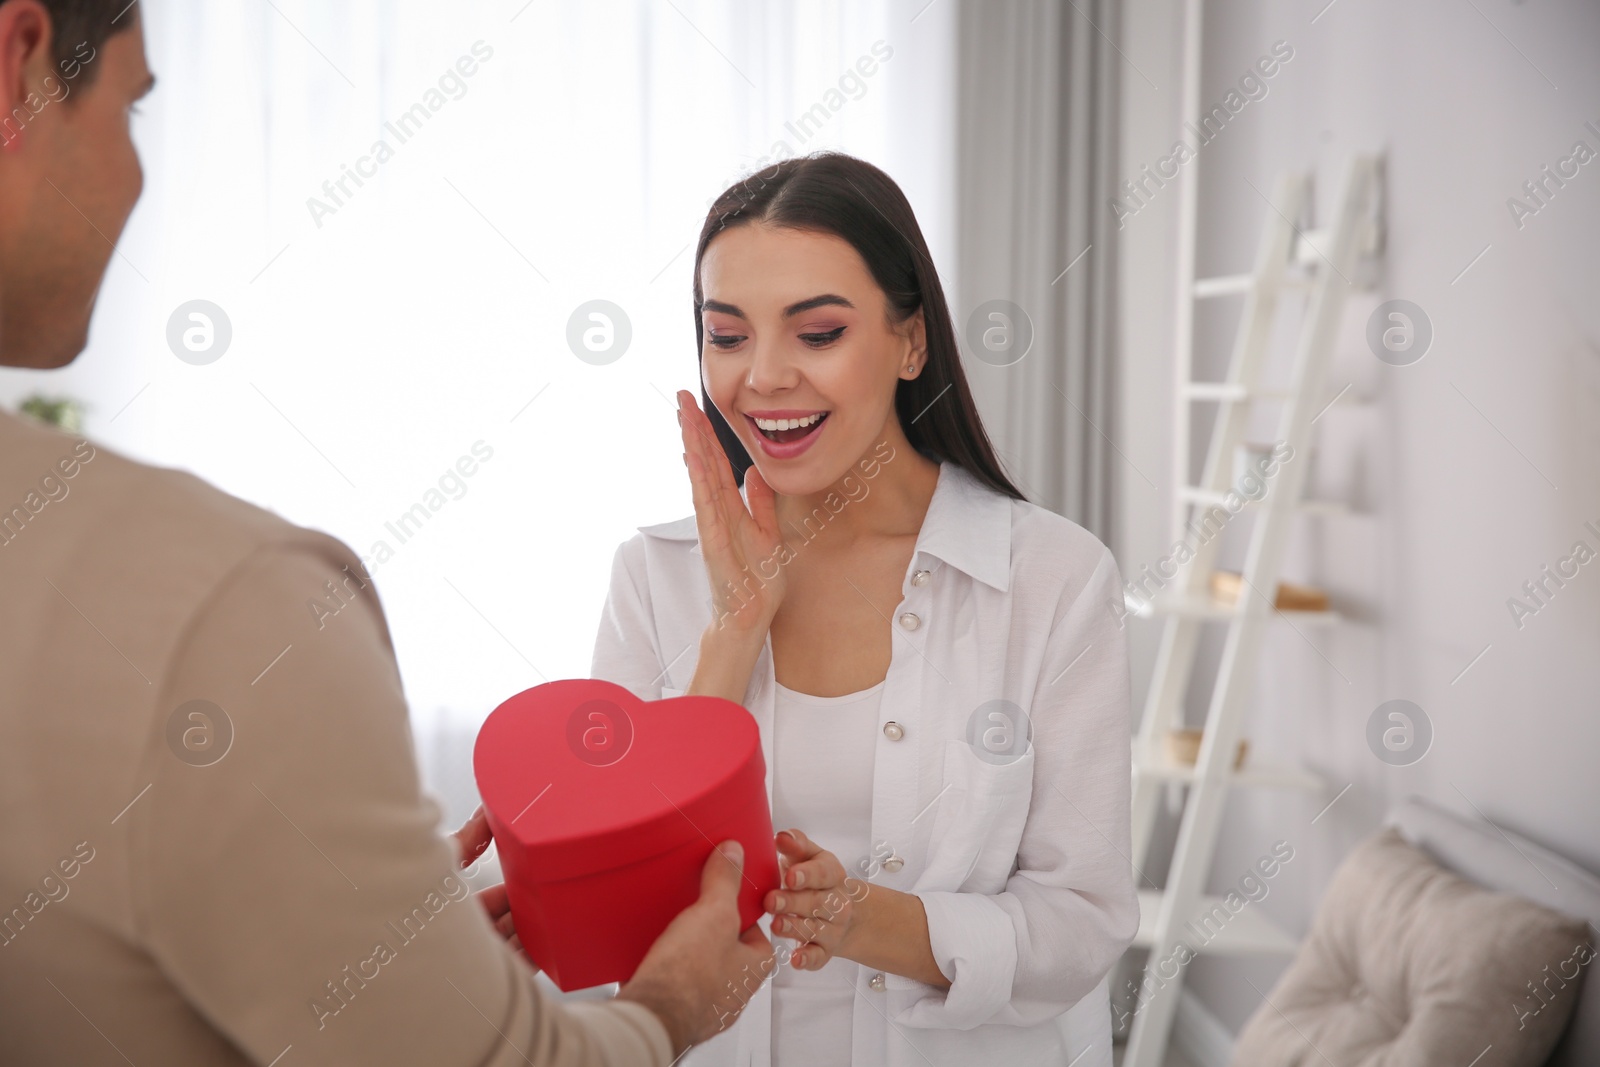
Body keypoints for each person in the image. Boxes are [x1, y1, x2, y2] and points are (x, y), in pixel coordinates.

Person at [0, 3, 772, 1064]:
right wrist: (671, 1003)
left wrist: (393, 963)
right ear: (18, 64)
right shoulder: (235, 608)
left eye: (818, 327)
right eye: (131, 109)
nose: (767, 373)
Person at [590, 151, 1141, 1067]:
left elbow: (1083, 920)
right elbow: (628, 907)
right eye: (727, 335)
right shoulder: (654, 577)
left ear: (911, 341)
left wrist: (869, 921)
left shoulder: (1051, 577)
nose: (762, 377)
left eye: (817, 333)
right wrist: (732, 633)